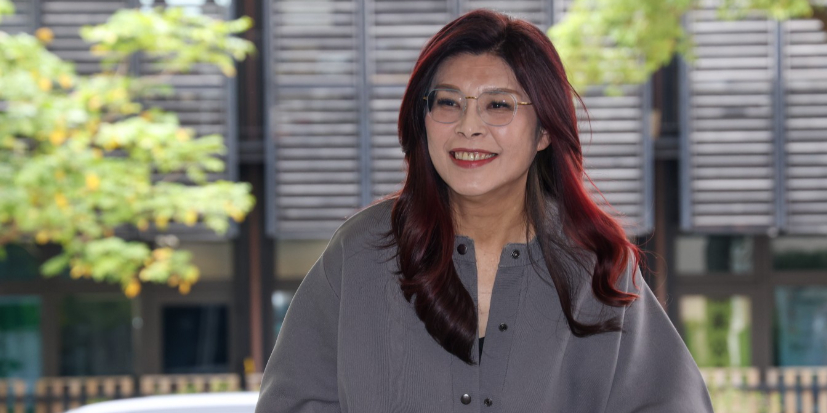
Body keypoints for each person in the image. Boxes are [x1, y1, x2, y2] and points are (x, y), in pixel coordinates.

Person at [256, 9, 713, 413]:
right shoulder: (359, 253)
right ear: (423, 120)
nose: (469, 126)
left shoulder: (599, 264)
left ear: (544, 131)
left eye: (498, 105)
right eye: (448, 103)